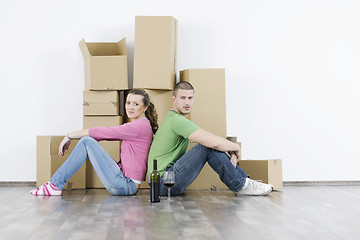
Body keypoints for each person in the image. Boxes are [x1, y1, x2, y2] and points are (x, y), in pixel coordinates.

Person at [147, 81, 273, 196]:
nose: (187, 102)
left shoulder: (175, 119)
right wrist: (236, 147)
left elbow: (212, 138)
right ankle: (241, 185)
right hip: (162, 183)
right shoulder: (176, 121)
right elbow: (214, 143)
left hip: (163, 182)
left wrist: (231, 148)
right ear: (174, 99)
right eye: (182, 98)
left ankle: (244, 181)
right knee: (207, 147)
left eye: (190, 98)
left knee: (210, 145)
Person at [31, 89, 158, 196]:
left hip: (125, 185)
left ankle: (54, 185)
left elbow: (105, 132)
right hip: (124, 181)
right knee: (87, 141)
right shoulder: (141, 125)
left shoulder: (139, 127)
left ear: (145, 108)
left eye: (136, 104)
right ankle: (54, 184)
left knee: (86, 141)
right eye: (128, 102)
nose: (130, 107)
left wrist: (69, 136)